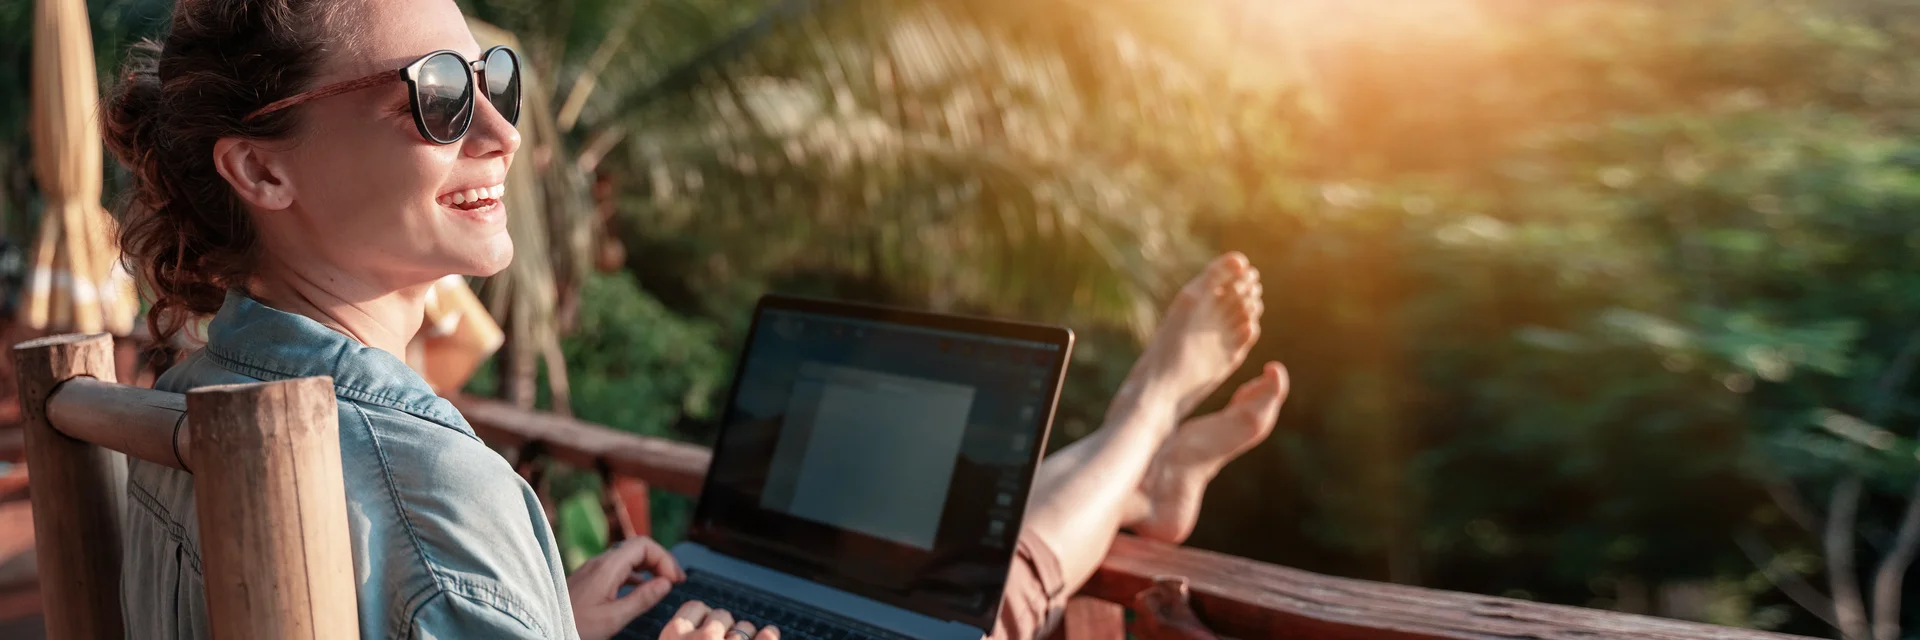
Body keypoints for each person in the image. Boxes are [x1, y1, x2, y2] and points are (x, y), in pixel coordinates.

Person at [101, 1, 1287, 639]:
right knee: (995, 594)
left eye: (493, 77)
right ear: (263, 173)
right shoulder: (425, 490)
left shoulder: (181, 400)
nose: (503, 135)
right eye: (436, 97)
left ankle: (1136, 469)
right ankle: (1142, 420)